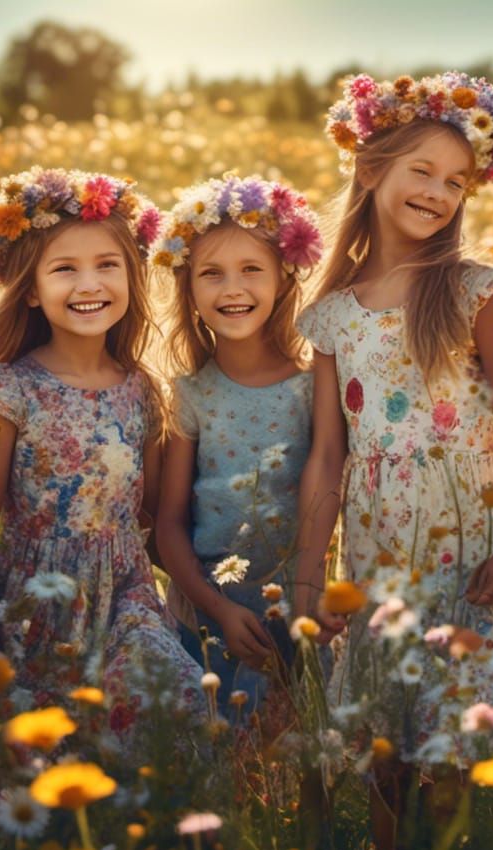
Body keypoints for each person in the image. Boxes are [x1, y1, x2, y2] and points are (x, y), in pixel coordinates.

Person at [295, 73, 493, 850]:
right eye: (422, 172)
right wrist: (311, 573)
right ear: (371, 169)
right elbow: (328, 456)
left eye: (456, 182)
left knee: (462, 717)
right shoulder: (334, 309)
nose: (438, 194)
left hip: (465, 540)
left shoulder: (472, 290)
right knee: (390, 729)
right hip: (374, 550)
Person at [0, 167, 203, 807]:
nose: (90, 284)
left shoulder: (143, 390)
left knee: (178, 696)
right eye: (64, 270)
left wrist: (209, 590)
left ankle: (165, 844)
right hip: (31, 603)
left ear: (132, 276)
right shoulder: (12, 388)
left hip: (124, 593)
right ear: (29, 292)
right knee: (24, 763)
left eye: (107, 265)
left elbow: (154, 521)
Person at [152, 174, 324, 722]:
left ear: (283, 279)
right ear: (189, 289)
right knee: (222, 757)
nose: (233, 289)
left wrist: (307, 598)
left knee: (296, 759)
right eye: (211, 274)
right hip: (208, 617)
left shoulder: (314, 385)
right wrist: (219, 610)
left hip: (299, 609)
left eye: (252, 269)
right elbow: (169, 524)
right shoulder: (190, 394)